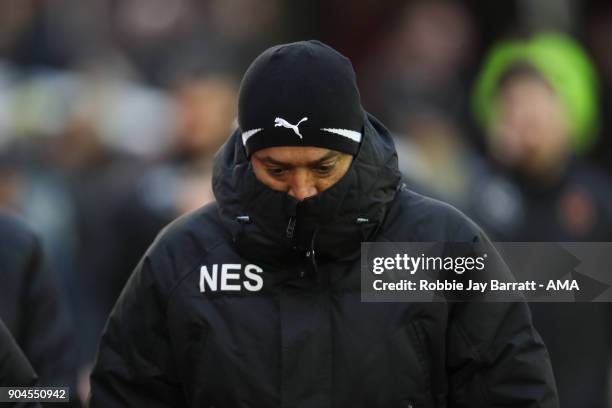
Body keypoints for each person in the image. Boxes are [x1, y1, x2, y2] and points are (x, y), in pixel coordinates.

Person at [91, 40, 558, 407]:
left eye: (322, 167)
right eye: (276, 169)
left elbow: (514, 389)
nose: (301, 188)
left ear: (353, 150)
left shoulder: (442, 248)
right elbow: (127, 391)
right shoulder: (183, 259)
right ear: (247, 154)